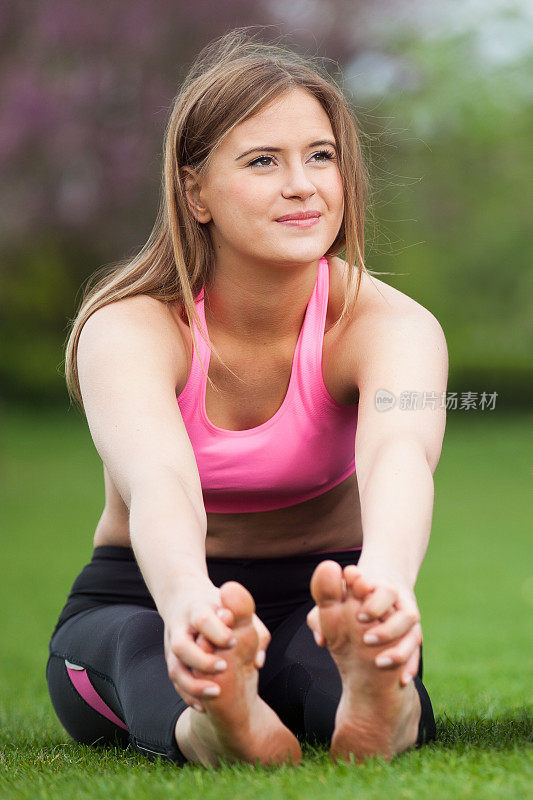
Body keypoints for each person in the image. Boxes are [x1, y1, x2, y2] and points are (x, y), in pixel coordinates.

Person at [46, 28, 447, 768]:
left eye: (319, 156)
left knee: (330, 669)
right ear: (194, 189)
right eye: (263, 160)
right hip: (143, 594)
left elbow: (398, 452)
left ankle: (376, 704)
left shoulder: (389, 326)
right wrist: (189, 604)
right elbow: (159, 479)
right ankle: (211, 721)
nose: (302, 185)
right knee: (149, 651)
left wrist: (384, 585)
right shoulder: (130, 327)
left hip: (328, 593)